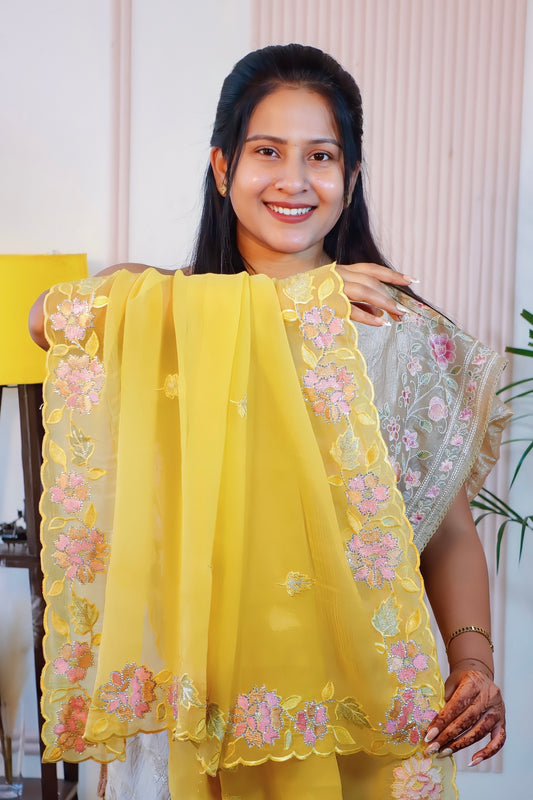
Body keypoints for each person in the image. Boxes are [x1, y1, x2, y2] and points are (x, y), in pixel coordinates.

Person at [30, 44, 508, 799]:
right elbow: (49, 316)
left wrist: (473, 665)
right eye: (265, 151)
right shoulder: (164, 317)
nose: (292, 180)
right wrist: (290, 308)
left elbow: (446, 531)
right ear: (222, 169)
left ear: (349, 181)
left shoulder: (393, 331)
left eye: (320, 156)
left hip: (363, 694)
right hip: (200, 702)